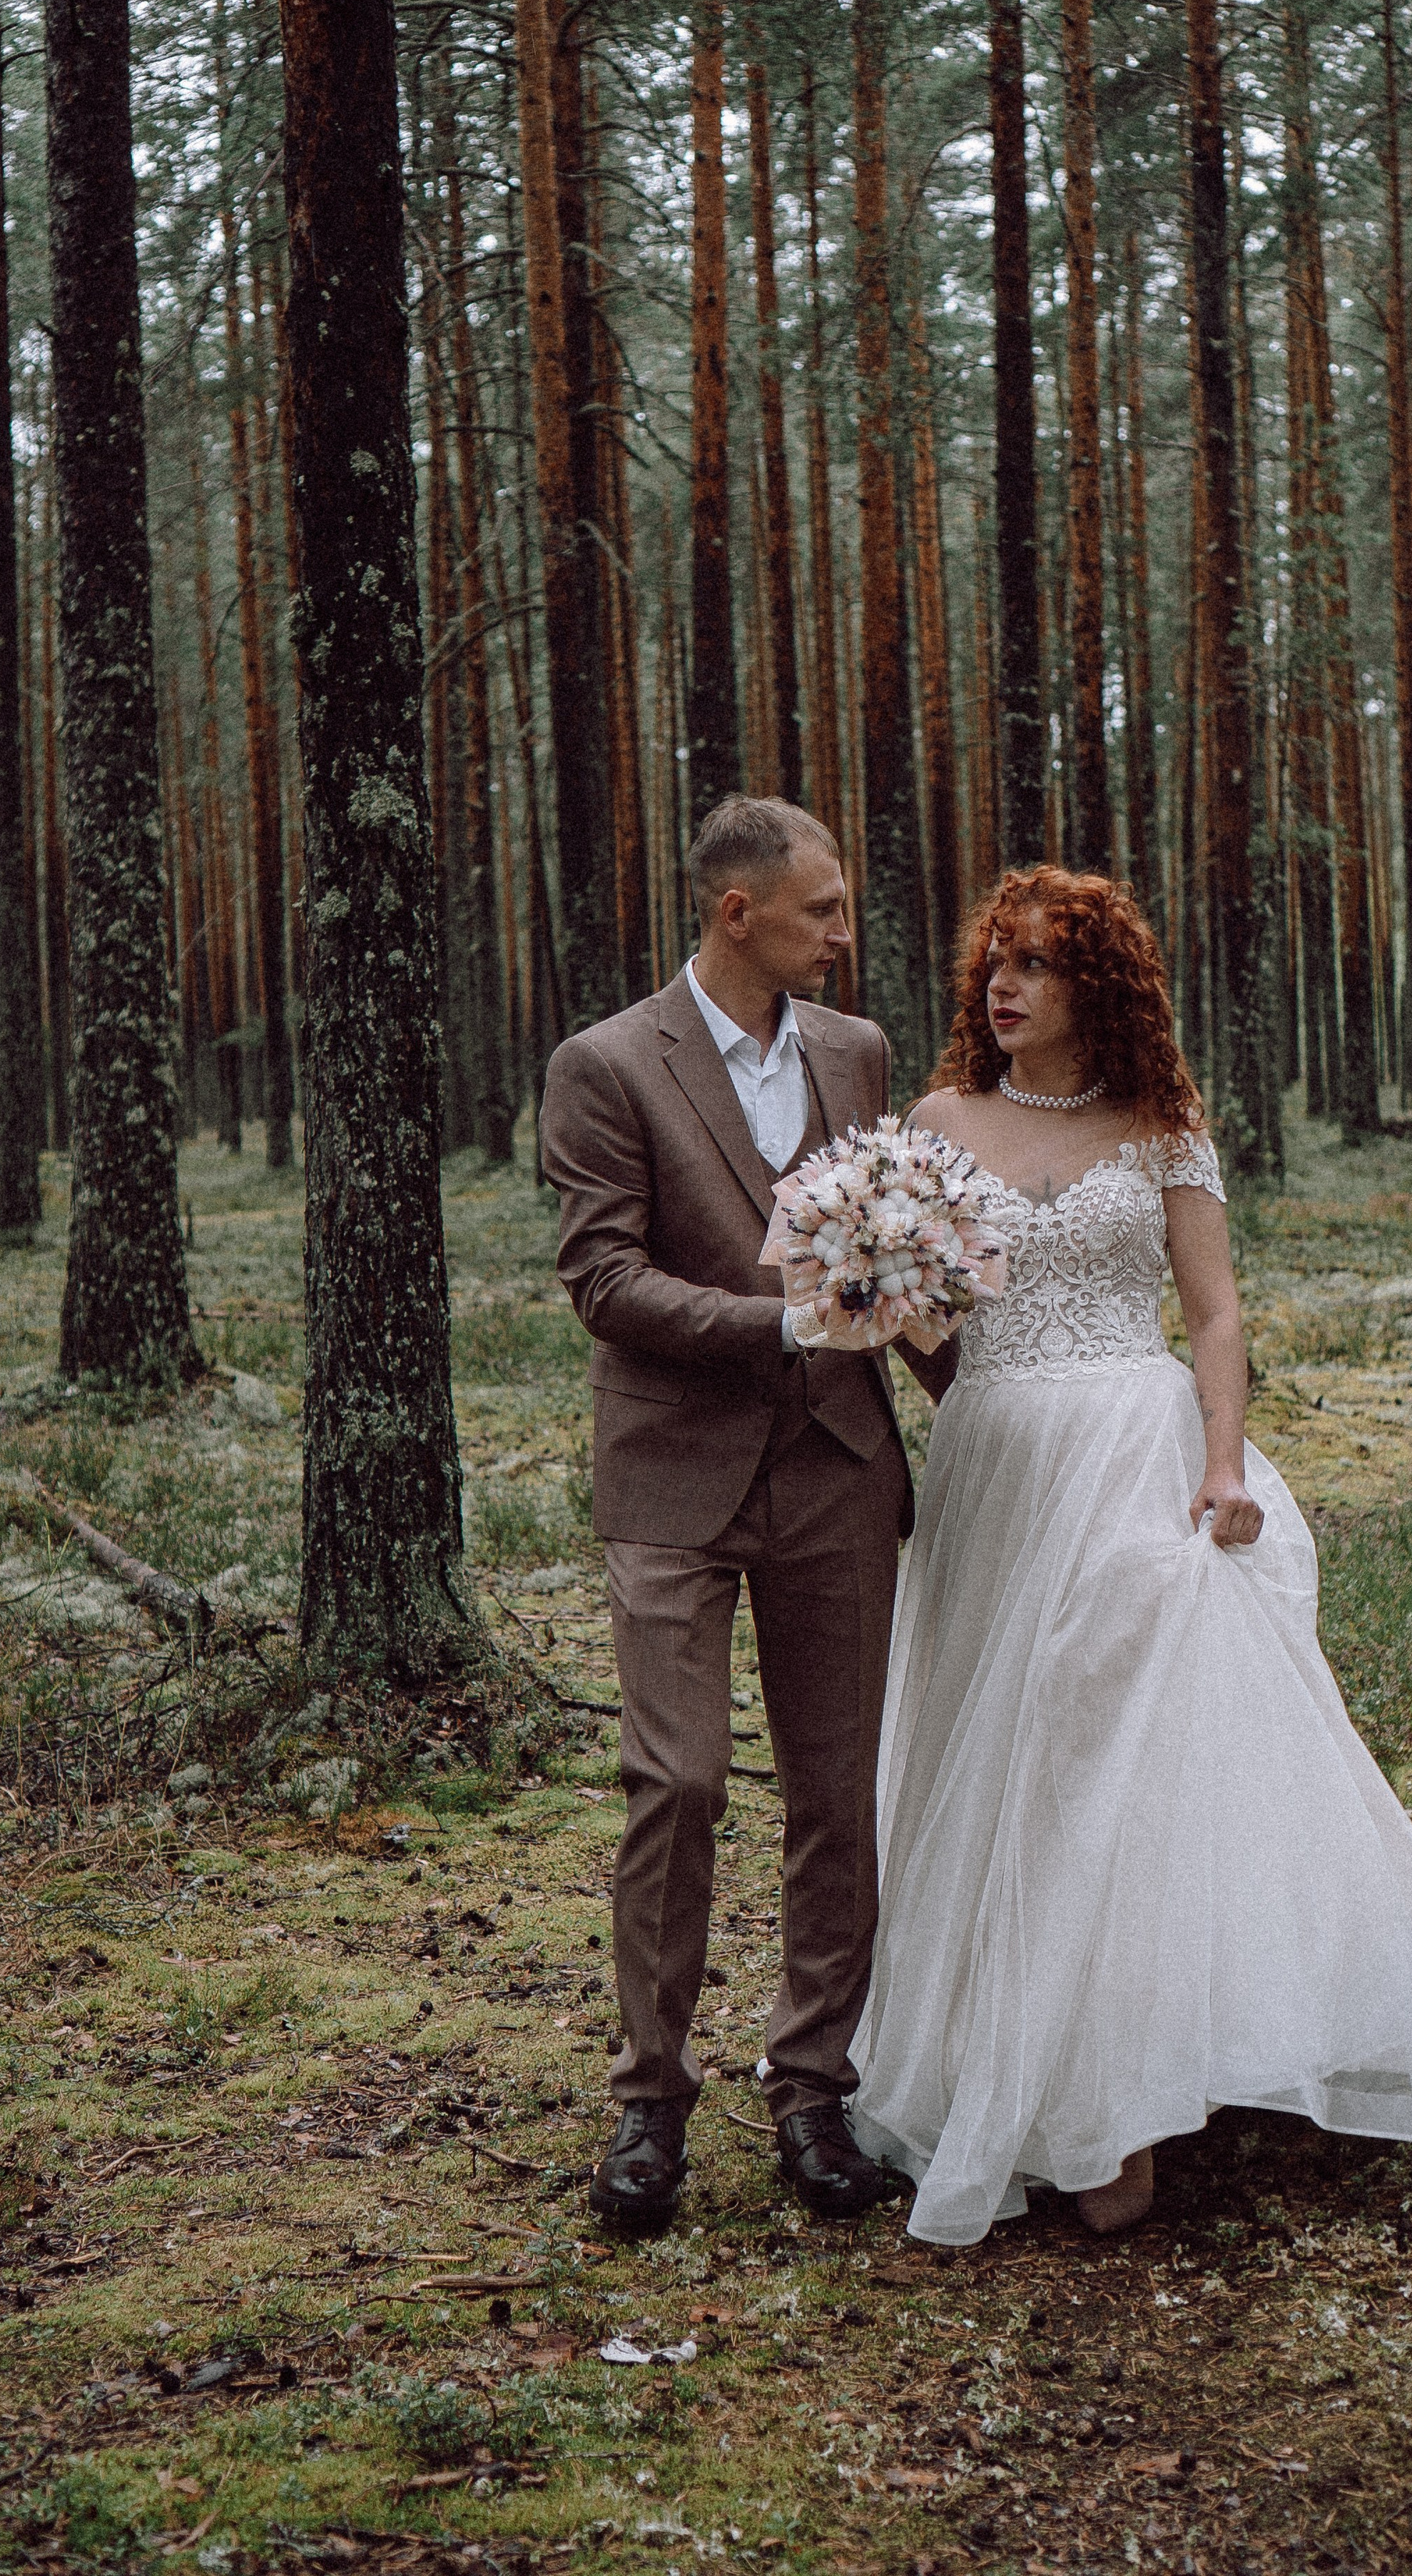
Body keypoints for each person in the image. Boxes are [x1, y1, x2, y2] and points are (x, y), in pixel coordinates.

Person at [849, 868, 1412, 2246]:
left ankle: (1123, 2110)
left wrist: (1223, 1462)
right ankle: (1018, 2076)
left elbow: (1213, 1315)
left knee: (1120, 1755)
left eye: (1037, 963)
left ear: (1097, 984)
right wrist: (908, 1335)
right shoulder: (935, 1124)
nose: (1004, 985)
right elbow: (920, 1321)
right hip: (997, 1469)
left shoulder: (1161, 1129)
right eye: (996, 961)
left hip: (1136, 1457)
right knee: (1007, 1760)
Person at [540, 796, 926, 2235]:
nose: (844, 934)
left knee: (838, 1790)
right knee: (678, 1780)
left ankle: (813, 2091)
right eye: (822, 910)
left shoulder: (855, 1052)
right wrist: (782, 1323)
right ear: (736, 912)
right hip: (674, 1478)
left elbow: (883, 1252)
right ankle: (650, 2100)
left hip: (839, 1466)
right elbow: (603, 1280)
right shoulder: (603, 1066)